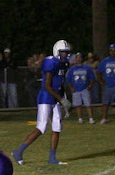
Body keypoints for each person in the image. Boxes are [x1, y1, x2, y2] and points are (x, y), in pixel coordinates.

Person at [11, 39, 71, 167]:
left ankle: (52, 158)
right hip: (46, 97)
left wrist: (63, 99)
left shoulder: (64, 64)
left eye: (66, 52)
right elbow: (47, 86)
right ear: (56, 51)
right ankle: (18, 152)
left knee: (57, 127)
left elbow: (60, 84)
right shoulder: (50, 62)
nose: (65, 55)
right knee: (42, 127)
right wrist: (62, 100)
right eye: (63, 52)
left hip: (55, 98)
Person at [65, 53, 95, 123]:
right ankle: (80, 118)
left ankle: (91, 118)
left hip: (84, 88)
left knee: (88, 104)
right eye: (77, 58)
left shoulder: (87, 67)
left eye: (80, 58)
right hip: (76, 89)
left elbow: (92, 77)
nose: (79, 59)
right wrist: (71, 88)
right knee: (78, 105)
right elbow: (68, 80)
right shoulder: (72, 69)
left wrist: (90, 85)